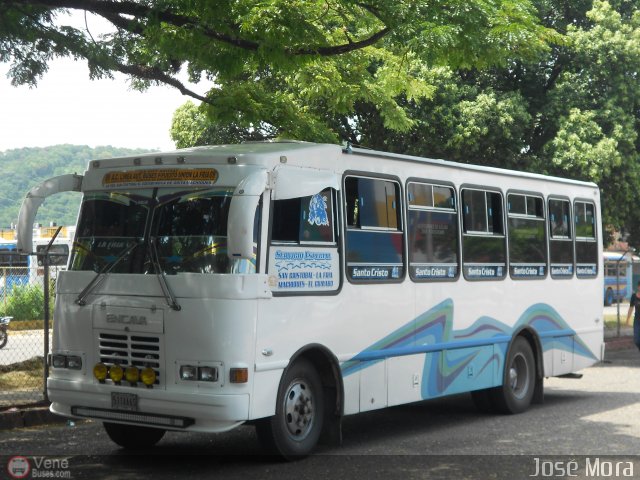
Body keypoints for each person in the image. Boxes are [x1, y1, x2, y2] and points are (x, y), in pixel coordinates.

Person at [624, 281, 640, 352]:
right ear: (638, 287)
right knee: (636, 340)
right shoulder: (634, 296)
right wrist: (627, 319)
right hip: (637, 320)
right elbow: (631, 308)